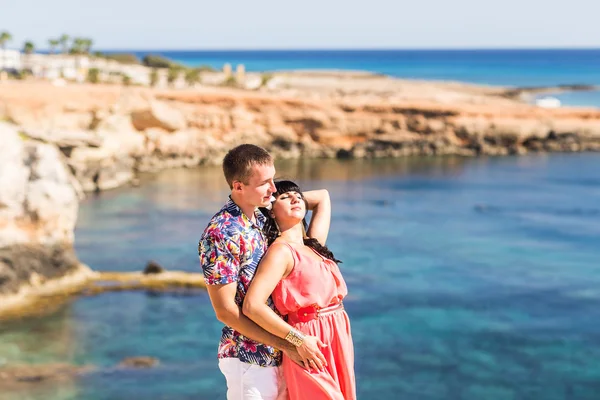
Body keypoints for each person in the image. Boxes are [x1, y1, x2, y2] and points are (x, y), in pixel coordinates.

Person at [198, 144, 324, 400]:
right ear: (238, 187)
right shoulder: (221, 232)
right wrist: (291, 342)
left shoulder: (262, 217)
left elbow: (319, 197)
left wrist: (285, 201)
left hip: (281, 356)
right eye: (265, 183)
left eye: (273, 179)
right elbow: (225, 311)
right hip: (249, 359)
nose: (275, 190)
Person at [243, 180, 356, 400]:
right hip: (309, 337)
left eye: (298, 195)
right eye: (285, 197)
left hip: (337, 335)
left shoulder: (313, 245)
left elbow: (323, 196)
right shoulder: (281, 253)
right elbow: (252, 306)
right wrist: (298, 340)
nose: (295, 198)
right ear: (271, 212)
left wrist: (289, 197)